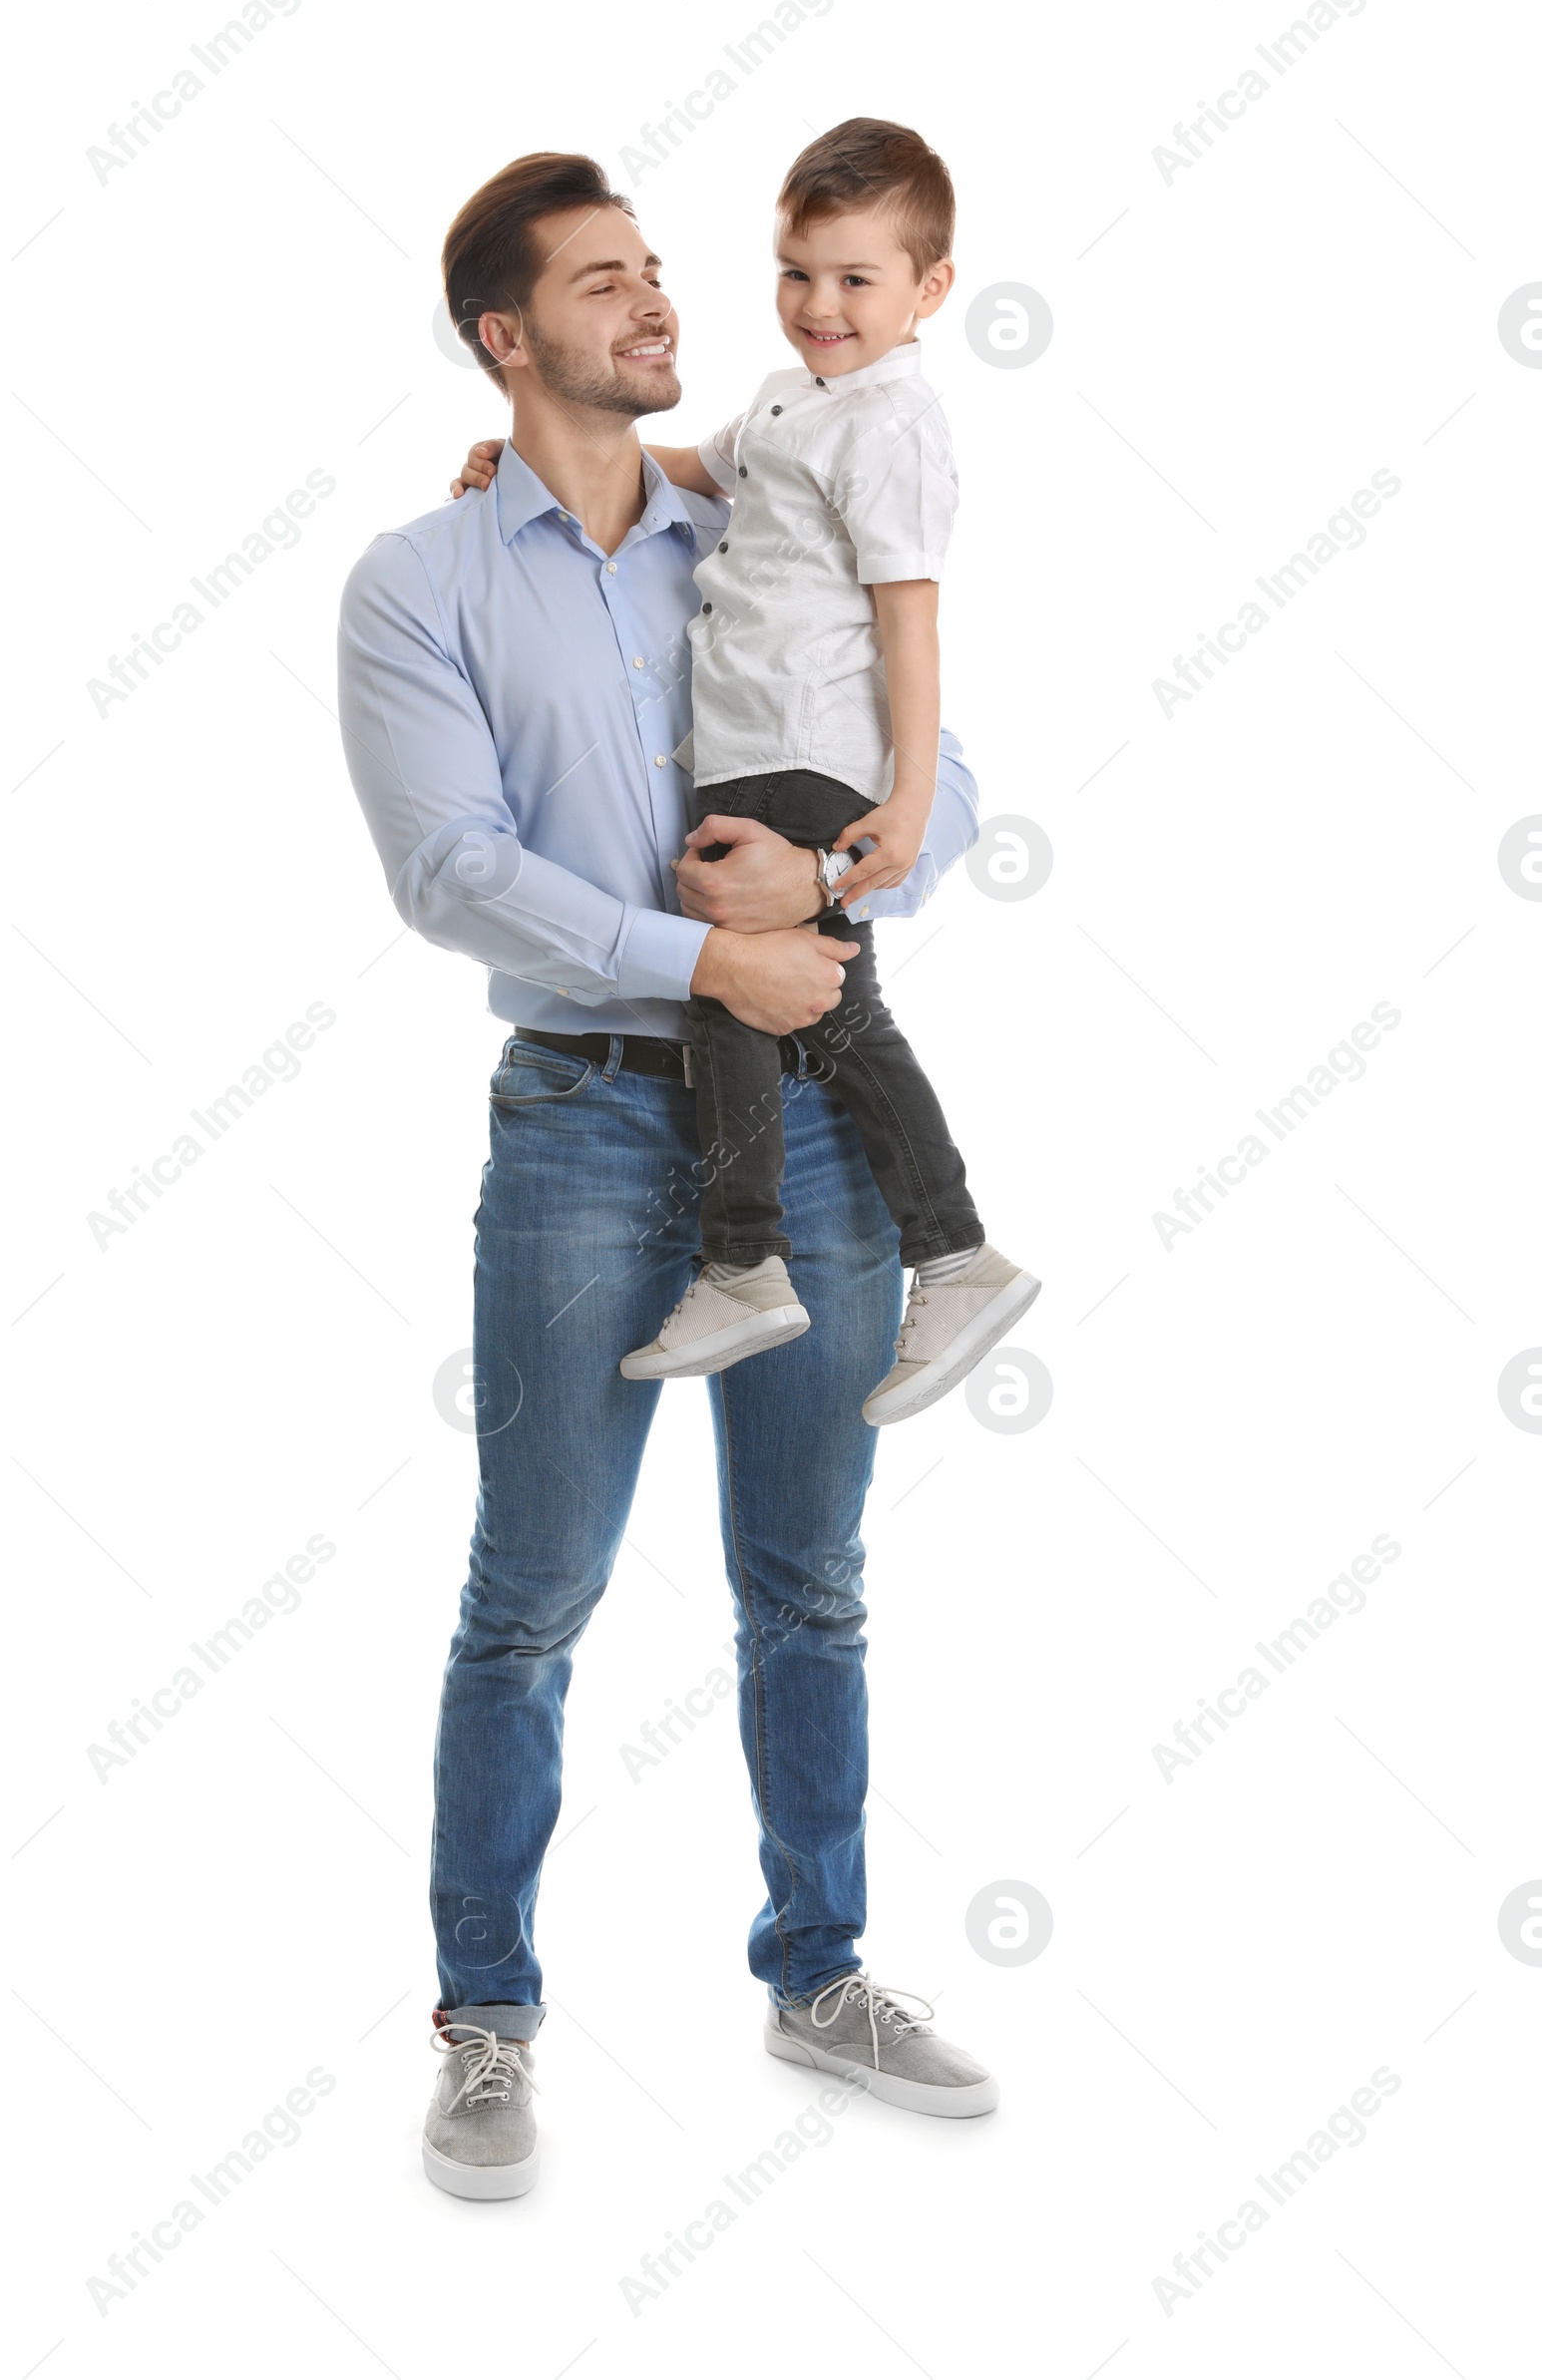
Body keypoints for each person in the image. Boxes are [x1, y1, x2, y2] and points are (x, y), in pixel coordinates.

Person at [338, 151, 1001, 2202]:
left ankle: (817, 1971)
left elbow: (939, 774)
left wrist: (824, 872)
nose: (659, 300)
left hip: (802, 1108)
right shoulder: (420, 579)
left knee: (807, 1586)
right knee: (529, 1598)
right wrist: (706, 949)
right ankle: (486, 2016)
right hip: (583, 1121)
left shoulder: (755, 498)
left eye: (653, 268)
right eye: (600, 283)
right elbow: (453, 874)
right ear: (505, 338)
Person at [465, 120, 1041, 1426]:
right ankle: (945, 1256)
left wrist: (894, 807)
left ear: (930, 291)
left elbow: (911, 616)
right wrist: (534, 460)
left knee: (747, 996)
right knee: (813, 1011)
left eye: (857, 281)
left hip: (809, 755)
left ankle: (754, 1260)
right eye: (798, 273)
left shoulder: (892, 427)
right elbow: (688, 464)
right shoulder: (792, 399)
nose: (822, 307)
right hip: (754, 756)